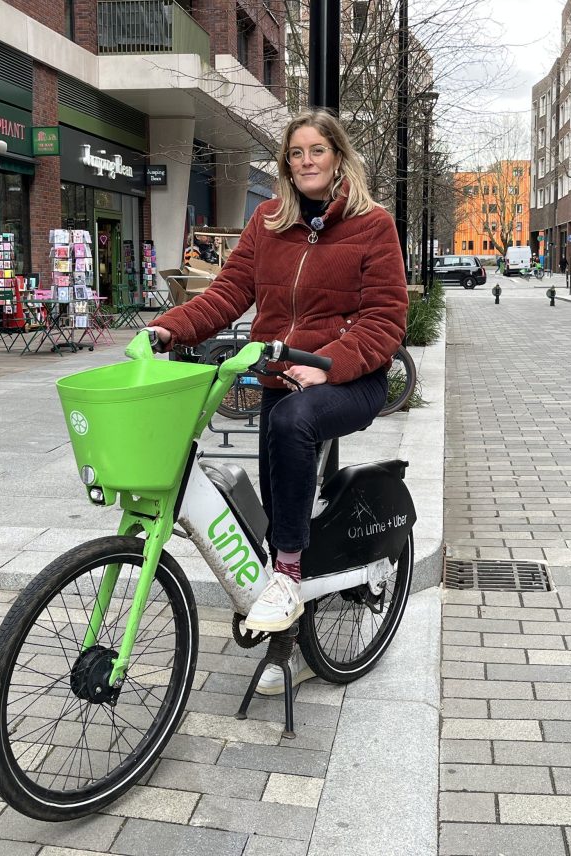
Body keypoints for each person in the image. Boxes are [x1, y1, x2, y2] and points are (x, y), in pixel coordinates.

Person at [148, 109, 407, 655]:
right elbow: (227, 293)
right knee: (276, 503)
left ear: (338, 157)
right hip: (281, 378)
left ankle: (287, 577)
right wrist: (165, 330)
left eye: (317, 150)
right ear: (286, 165)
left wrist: (328, 362)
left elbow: (385, 319)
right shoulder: (268, 221)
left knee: (292, 429)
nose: (306, 161)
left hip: (351, 379)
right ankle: (283, 635)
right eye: (296, 153)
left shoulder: (372, 224)